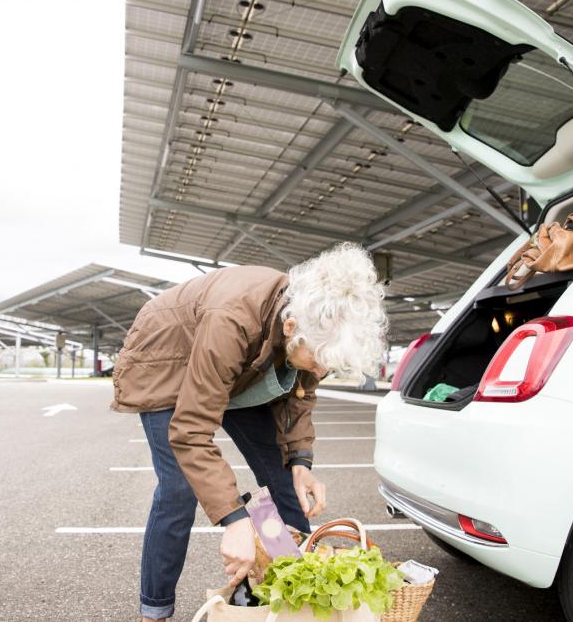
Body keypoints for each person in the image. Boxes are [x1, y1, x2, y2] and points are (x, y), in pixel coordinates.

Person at [111, 243, 388, 622]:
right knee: (178, 489)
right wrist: (235, 520)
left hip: (239, 368)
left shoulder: (310, 328)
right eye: (320, 361)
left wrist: (301, 461)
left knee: (283, 477)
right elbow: (191, 431)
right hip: (166, 364)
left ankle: (295, 593)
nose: (321, 372)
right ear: (291, 329)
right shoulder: (232, 318)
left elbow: (300, 393)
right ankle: (154, 612)